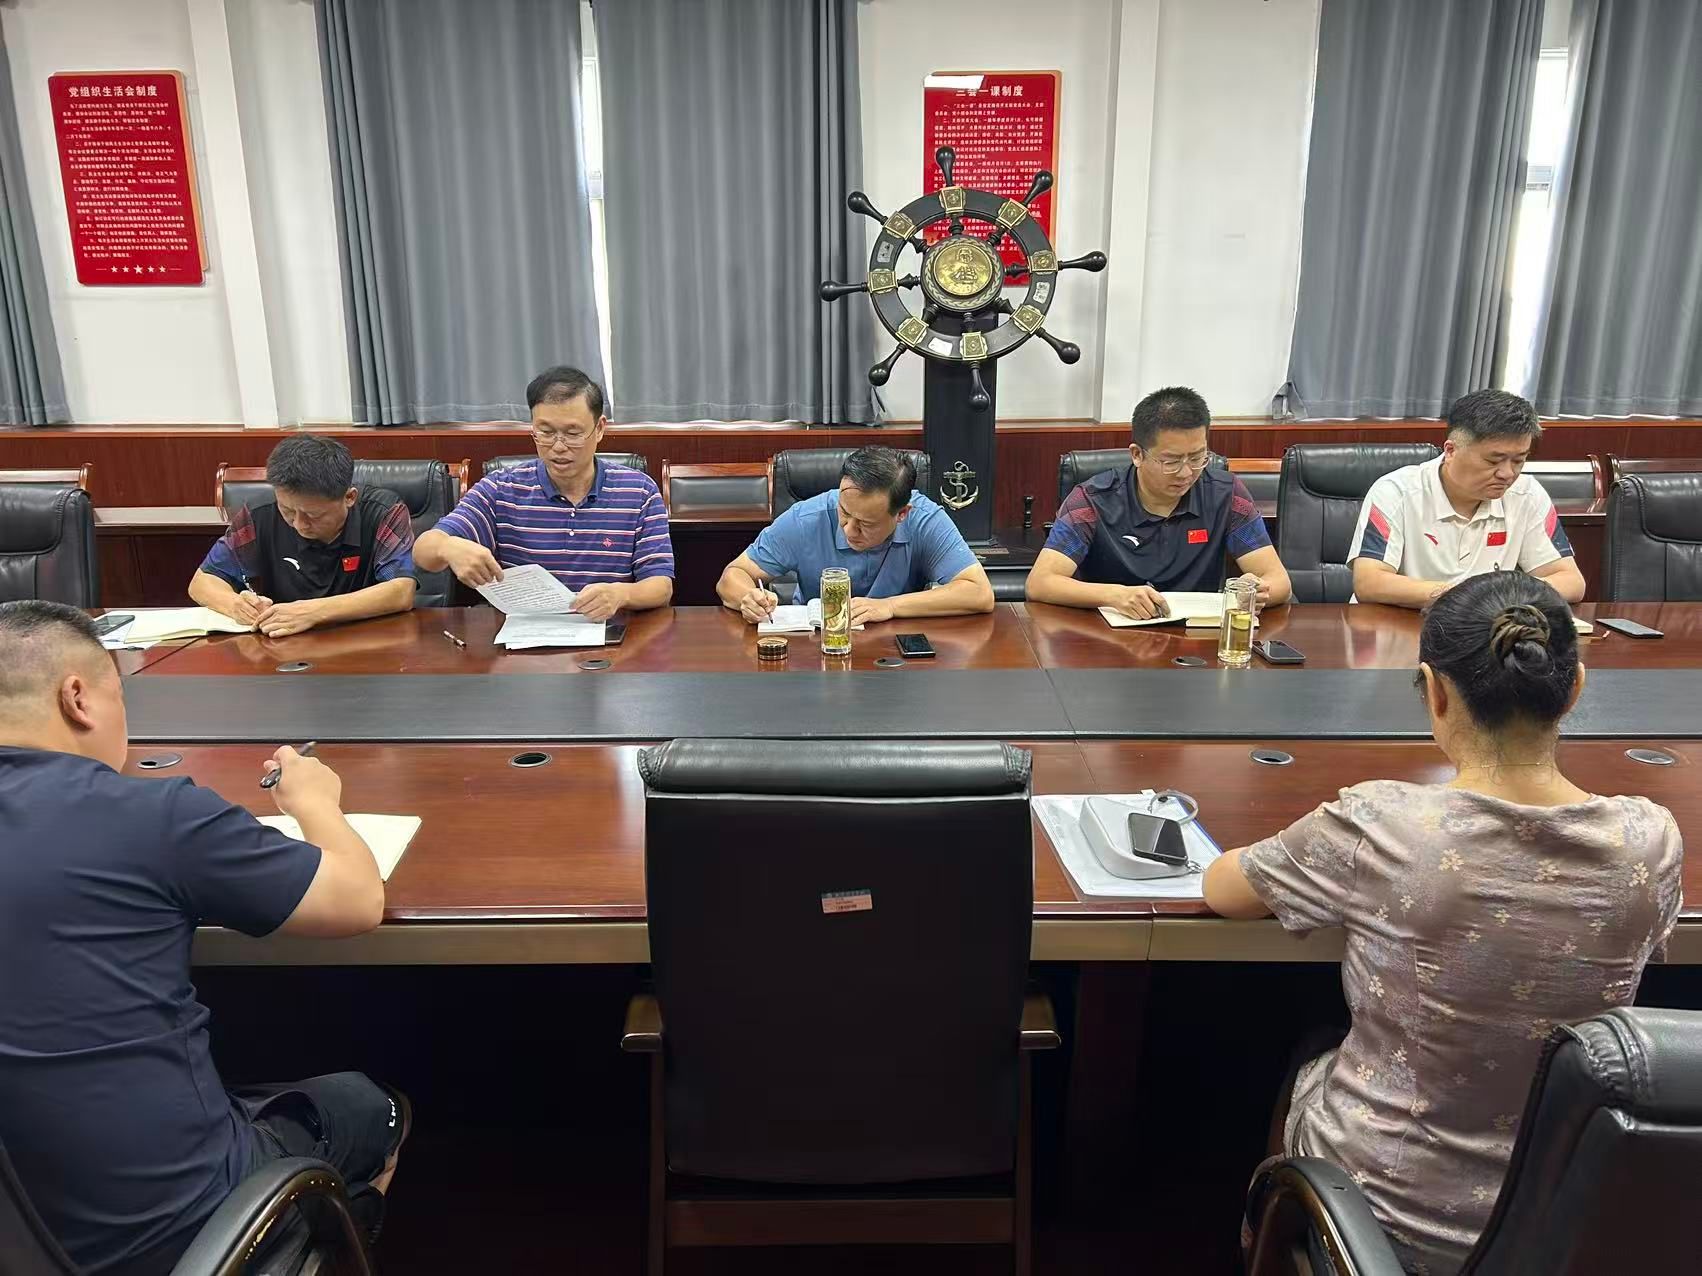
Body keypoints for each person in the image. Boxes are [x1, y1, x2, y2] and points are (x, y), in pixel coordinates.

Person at [1203, 573, 1683, 1275]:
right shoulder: (1650, 840)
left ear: (1433, 690)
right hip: (1570, 1217)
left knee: (1307, 1055)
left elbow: (1224, 890)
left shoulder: (1384, 825)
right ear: (1575, 687)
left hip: (1389, 1215)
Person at [0, 601, 406, 1275]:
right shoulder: (149, 816)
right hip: (168, 1235)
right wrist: (315, 803)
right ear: (78, 698)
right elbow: (358, 899)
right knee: (370, 1107)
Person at [415, 366, 673, 622]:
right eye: (546, 432)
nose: (558, 447)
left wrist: (620, 594)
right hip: (525, 634)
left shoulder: (639, 491)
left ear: (600, 428)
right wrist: (448, 547)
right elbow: (423, 551)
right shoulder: (501, 488)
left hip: (608, 631)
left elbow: (661, 586)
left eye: (573, 433)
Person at [1025, 386, 1291, 619]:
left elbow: (1279, 581)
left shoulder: (1226, 495)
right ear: (1137, 455)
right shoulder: (1092, 501)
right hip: (1110, 639)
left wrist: (1256, 590)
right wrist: (1114, 595)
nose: (1186, 473)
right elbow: (1040, 583)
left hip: (1197, 639)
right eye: (1171, 461)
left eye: (1197, 458)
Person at [1350, 388, 1587, 609]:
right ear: (1451, 451)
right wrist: (1470, 597)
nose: (1507, 474)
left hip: (1483, 628)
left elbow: (1571, 582)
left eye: (1518, 461)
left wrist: (1501, 596)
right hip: (1398, 625)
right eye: (1493, 461)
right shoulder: (1396, 492)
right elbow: (1369, 582)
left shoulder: (1527, 494)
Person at [717, 445, 995, 623]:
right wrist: (748, 598)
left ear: (901, 514)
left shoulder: (924, 520)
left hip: (896, 652)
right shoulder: (806, 518)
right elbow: (733, 575)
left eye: (865, 523)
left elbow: (979, 593)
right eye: (844, 512)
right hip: (815, 646)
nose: (848, 529)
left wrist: (889, 607)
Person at [190, 435, 417, 637]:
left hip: (364, 643)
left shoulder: (382, 511)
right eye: (287, 511)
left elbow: (401, 590)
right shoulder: (258, 514)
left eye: (313, 515)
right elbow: (202, 581)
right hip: (281, 646)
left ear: (349, 497)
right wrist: (236, 605)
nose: (299, 524)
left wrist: (312, 612)